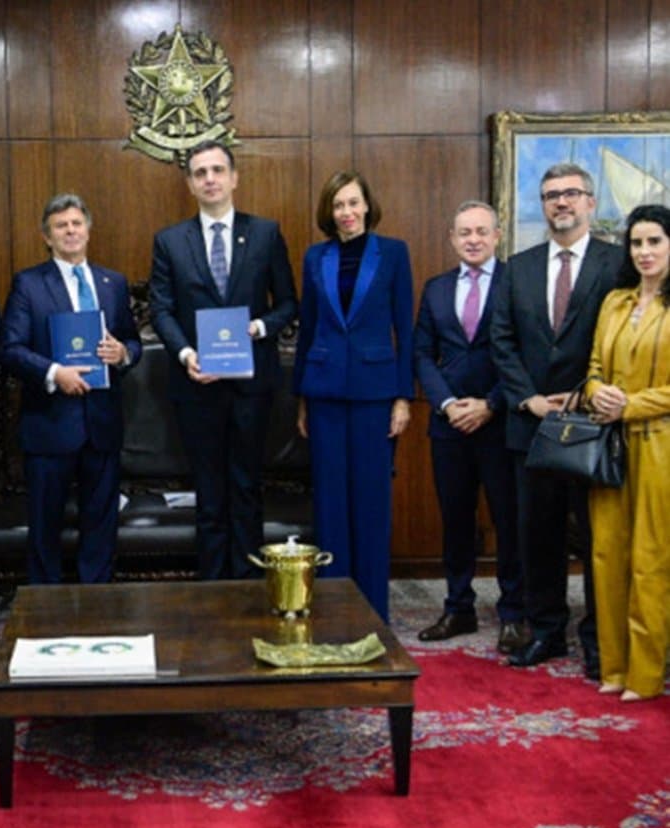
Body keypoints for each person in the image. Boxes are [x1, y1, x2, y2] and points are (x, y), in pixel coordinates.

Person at [490, 163, 624, 678]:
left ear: (590, 202)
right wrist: (529, 399)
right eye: (550, 196)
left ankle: (597, 639)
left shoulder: (617, 265)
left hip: (594, 426)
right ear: (541, 205)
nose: (560, 203)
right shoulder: (517, 267)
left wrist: (584, 393)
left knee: (597, 539)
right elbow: (501, 341)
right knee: (537, 536)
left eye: (571, 194)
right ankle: (546, 631)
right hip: (533, 426)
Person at [148, 140, 298, 580]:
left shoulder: (266, 233)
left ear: (235, 178)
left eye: (217, 170)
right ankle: (212, 590)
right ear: (190, 184)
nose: (210, 179)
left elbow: (288, 303)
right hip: (197, 386)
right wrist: (187, 353)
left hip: (252, 386)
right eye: (200, 172)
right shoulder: (170, 241)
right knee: (209, 494)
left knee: (247, 488)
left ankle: (249, 587)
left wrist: (257, 329)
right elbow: (161, 309)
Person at [0, 194, 142, 583]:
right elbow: (9, 349)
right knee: (45, 526)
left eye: (77, 223)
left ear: (88, 230)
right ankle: (46, 606)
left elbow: (133, 341)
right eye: (61, 226)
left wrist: (122, 353)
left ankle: (97, 602)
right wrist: (54, 373)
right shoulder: (29, 284)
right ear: (47, 237)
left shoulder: (112, 283)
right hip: (50, 424)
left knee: (101, 524)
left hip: (102, 423)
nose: (71, 231)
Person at [291, 170, 413, 622]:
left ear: (367, 206)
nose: (346, 212)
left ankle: (373, 610)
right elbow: (307, 329)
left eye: (353, 203)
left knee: (371, 502)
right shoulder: (314, 256)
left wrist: (403, 397)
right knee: (329, 504)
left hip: (375, 396)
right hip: (323, 394)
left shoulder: (394, 254)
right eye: (338, 205)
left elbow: (406, 327)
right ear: (330, 211)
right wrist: (301, 397)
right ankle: (334, 607)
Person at [413, 201, 525, 652]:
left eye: (481, 231)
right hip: (450, 426)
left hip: (500, 425)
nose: (473, 239)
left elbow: (523, 352)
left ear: (497, 236)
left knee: (508, 521)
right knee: (455, 520)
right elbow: (422, 352)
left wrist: (491, 403)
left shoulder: (516, 285)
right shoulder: (436, 289)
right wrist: (445, 403)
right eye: (464, 233)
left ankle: (513, 614)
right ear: (453, 239)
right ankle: (458, 607)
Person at [585, 203, 670, 701]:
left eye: (654, 241)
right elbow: (595, 366)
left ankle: (645, 674)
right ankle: (613, 668)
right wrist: (599, 393)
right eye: (636, 243)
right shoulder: (615, 302)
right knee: (606, 554)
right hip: (611, 449)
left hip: (660, 448)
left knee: (651, 559)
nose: (644, 252)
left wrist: (631, 404)